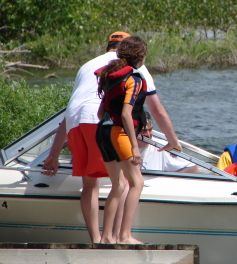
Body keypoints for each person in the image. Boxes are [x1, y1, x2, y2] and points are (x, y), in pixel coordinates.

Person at [42, 31, 182, 243]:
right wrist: (171, 141)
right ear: (138, 55)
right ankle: (120, 237)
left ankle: (99, 240)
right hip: (111, 127)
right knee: (126, 182)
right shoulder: (135, 72)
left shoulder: (93, 68)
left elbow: (75, 113)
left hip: (80, 125)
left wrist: (53, 154)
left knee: (92, 184)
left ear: (109, 47)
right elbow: (156, 111)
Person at [95, 36, 148, 244]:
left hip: (102, 132)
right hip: (119, 133)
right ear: (140, 57)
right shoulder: (134, 79)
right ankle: (125, 236)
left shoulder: (110, 77)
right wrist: (134, 146)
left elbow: (101, 113)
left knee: (117, 185)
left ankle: (106, 237)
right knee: (137, 182)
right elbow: (126, 114)